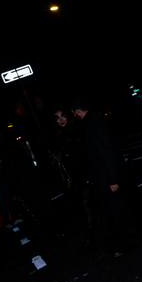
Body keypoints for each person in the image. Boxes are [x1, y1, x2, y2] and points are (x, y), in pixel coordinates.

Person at [70, 98, 142, 257]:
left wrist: (112, 179)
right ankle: (120, 244)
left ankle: (133, 240)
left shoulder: (94, 124)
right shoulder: (91, 123)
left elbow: (105, 151)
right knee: (111, 211)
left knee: (118, 209)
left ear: (77, 111)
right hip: (103, 176)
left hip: (106, 176)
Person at [49, 106, 93, 251]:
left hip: (86, 172)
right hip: (74, 176)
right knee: (87, 206)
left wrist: (65, 155)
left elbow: (84, 150)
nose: (60, 120)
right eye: (57, 118)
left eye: (63, 116)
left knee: (87, 205)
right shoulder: (58, 135)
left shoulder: (76, 129)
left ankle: (90, 239)